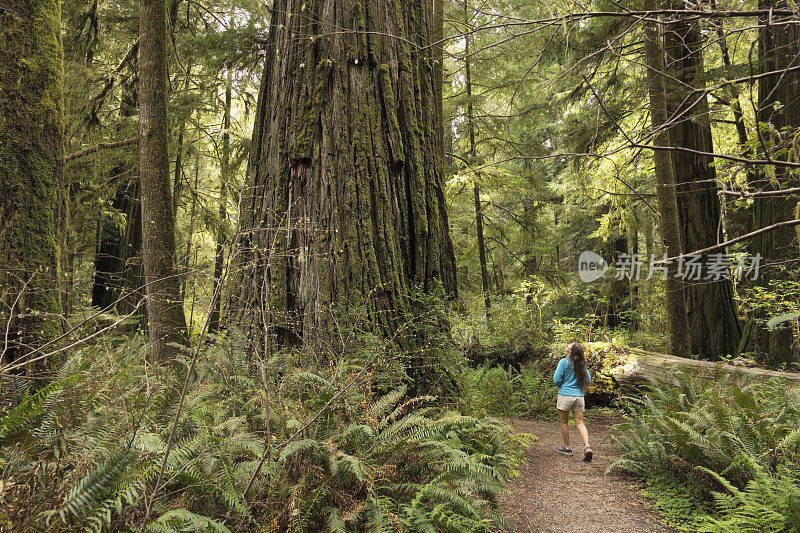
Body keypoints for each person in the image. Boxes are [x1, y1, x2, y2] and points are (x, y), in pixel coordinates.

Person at [553, 342, 593, 461]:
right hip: (579, 397)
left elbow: (556, 380)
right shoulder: (581, 364)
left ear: (571, 351)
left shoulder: (563, 362)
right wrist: (579, 387)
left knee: (564, 422)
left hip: (565, 395)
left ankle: (568, 447)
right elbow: (588, 380)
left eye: (569, 346)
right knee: (580, 422)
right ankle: (587, 446)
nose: (567, 346)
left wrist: (563, 386)